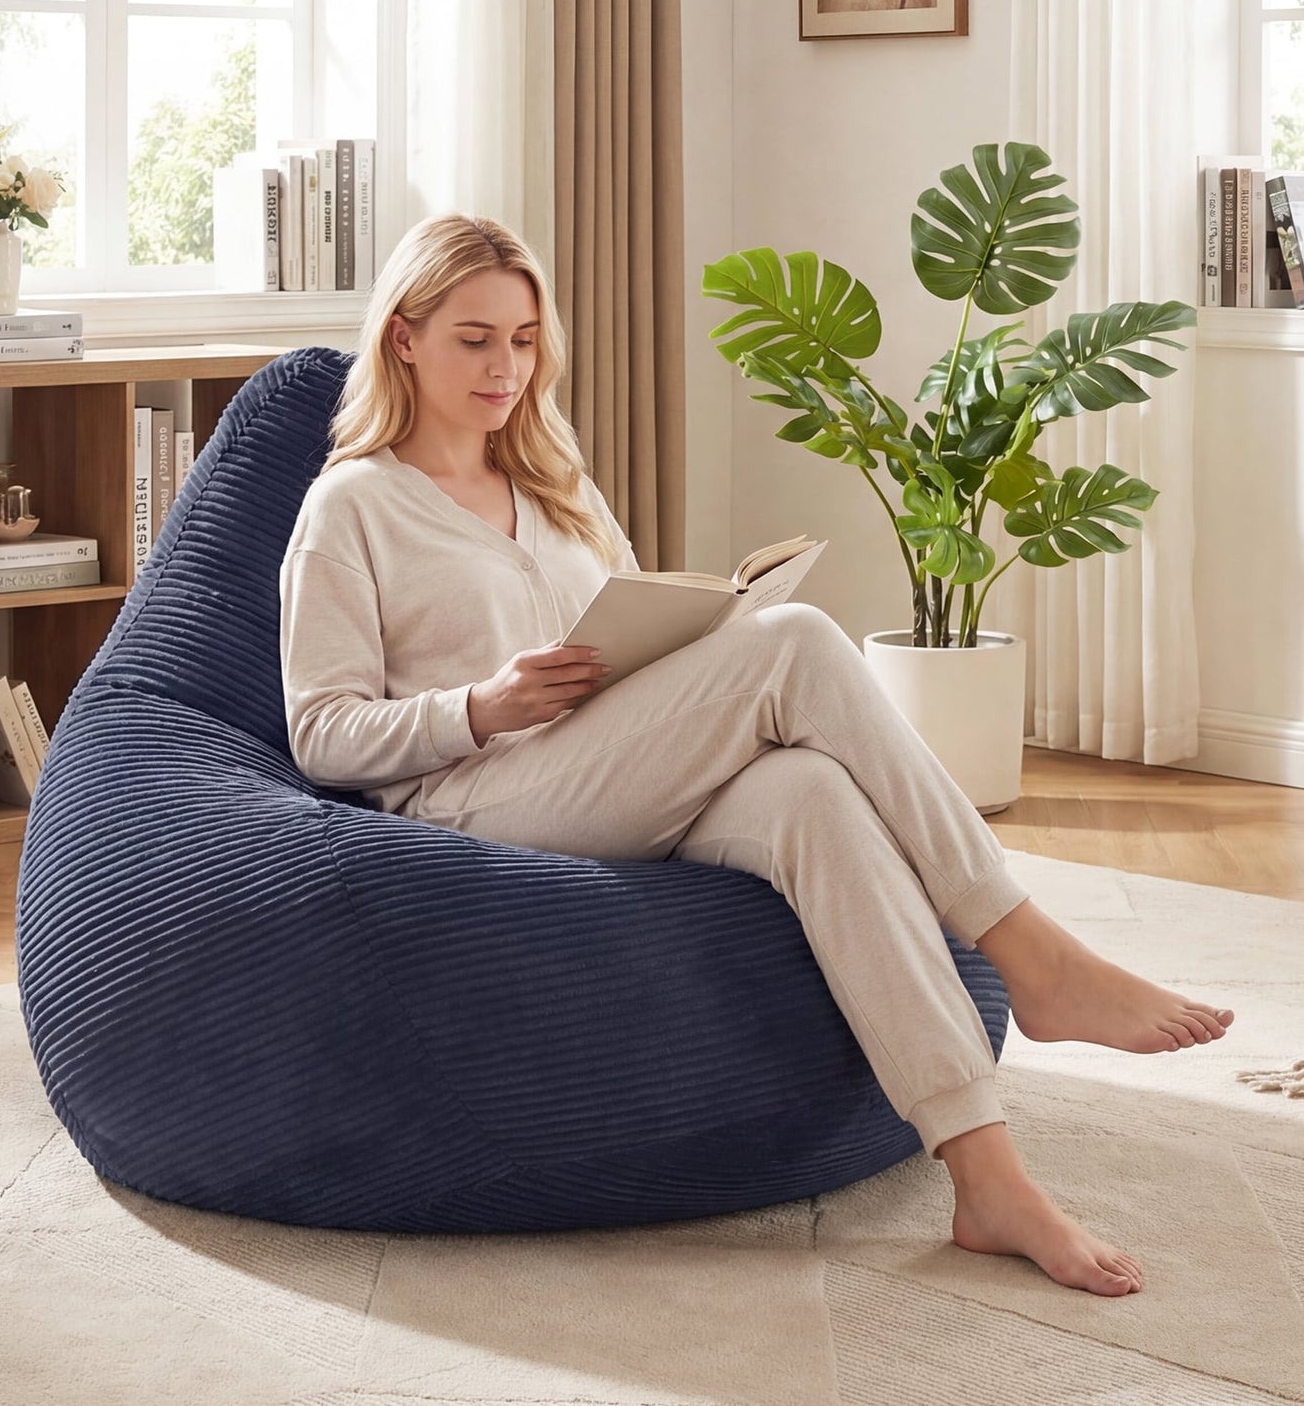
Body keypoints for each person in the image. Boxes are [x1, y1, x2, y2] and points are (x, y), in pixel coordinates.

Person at [278, 212, 1235, 1298]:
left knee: (812, 790)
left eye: (526, 337)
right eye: (474, 338)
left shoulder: (554, 482)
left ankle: (987, 1175)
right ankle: (1028, 950)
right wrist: (479, 706)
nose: (507, 366)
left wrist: (685, 633)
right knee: (791, 643)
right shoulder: (349, 506)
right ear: (402, 338)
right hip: (471, 799)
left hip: (609, 771)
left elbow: (625, 631)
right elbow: (322, 732)